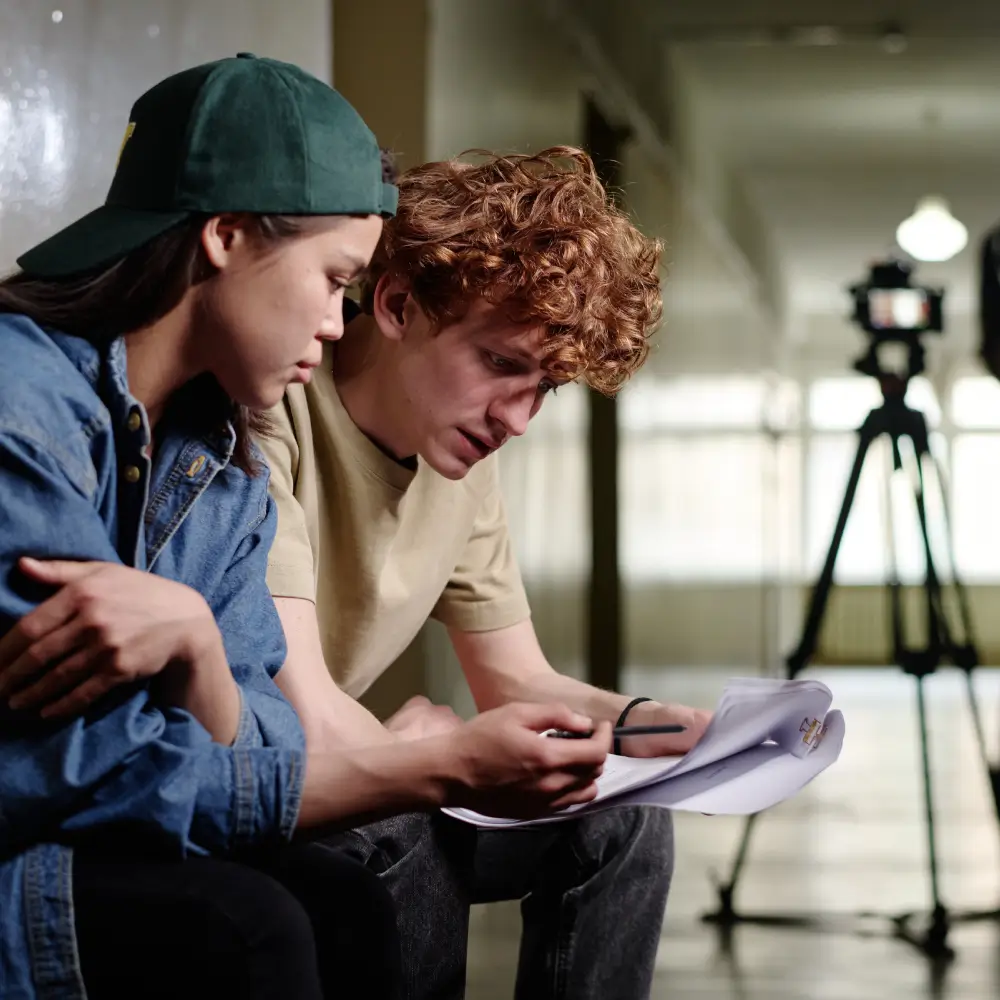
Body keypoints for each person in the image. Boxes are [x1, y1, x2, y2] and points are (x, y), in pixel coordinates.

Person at [0, 60, 610, 1000]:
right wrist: (435, 767)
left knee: (339, 903)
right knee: (258, 925)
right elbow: (88, 776)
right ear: (227, 235)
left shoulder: (217, 457)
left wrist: (200, 646)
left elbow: (258, 746)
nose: (337, 324)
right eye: (333, 280)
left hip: (104, 830)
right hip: (28, 855)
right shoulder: (23, 410)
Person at [253, 147, 714, 1000]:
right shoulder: (272, 409)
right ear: (395, 303)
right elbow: (302, 722)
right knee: (405, 827)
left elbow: (518, 682)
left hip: (369, 757)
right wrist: (435, 755)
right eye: (502, 365)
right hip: (280, 784)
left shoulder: (466, 462)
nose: (517, 420)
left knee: (628, 817)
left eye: (545, 388)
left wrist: (663, 731)